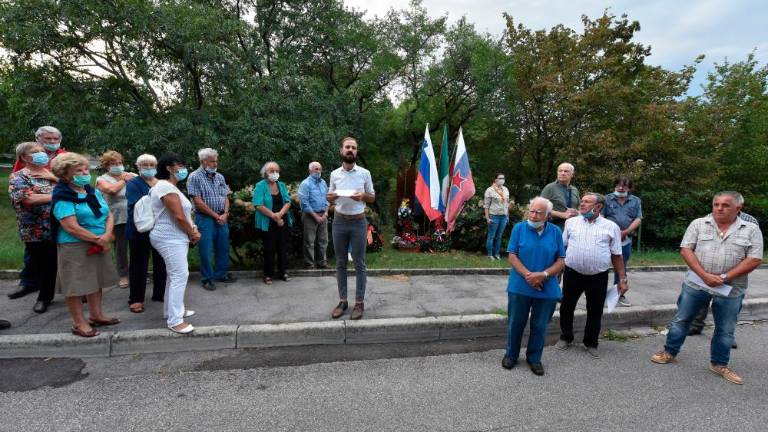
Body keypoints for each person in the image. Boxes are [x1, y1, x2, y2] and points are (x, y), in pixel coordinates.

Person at [651, 192, 762, 385]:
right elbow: (686, 249)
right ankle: (669, 352)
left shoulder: (751, 229)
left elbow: (754, 259)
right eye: (716, 204)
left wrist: (724, 277)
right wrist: (705, 275)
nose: (719, 208)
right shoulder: (699, 224)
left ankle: (719, 364)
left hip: (731, 288)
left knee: (726, 329)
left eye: (725, 205)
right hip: (697, 283)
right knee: (681, 319)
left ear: (738, 208)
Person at [51, 152, 120, 337]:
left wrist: (106, 234)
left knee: (96, 281)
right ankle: (78, 323)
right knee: (76, 285)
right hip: (75, 246)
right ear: (65, 174)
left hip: (100, 242)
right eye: (78, 170)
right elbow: (71, 227)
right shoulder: (62, 196)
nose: (84, 173)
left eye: (86, 169)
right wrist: (99, 240)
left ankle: (96, 315)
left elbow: (108, 214)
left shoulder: (91, 191)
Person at [556, 193, 629, 358]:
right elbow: (562, 250)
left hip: (598, 276)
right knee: (567, 306)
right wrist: (558, 272)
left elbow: (617, 255)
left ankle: (591, 342)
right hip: (572, 273)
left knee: (595, 310)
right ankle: (565, 337)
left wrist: (623, 280)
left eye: (587, 202)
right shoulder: (571, 223)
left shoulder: (611, 227)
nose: (582, 204)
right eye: (581, 201)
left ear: (598, 207)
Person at [502, 197, 565, 376]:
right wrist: (530, 276)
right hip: (520, 285)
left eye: (539, 212)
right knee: (516, 322)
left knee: (540, 325)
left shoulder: (555, 232)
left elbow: (561, 260)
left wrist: (543, 275)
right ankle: (511, 354)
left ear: (547, 215)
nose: (534, 215)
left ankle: (534, 358)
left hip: (546, 286)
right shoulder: (519, 228)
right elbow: (512, 256)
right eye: (531, 211)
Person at [8, 125, 66, 300]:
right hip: (32, 225)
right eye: (48, 139)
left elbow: (72, 184)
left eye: (56, 139)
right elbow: (27, 198)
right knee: (36, 258)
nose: (52, 143)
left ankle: (48, 295)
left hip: (58, 221)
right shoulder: (20, 173)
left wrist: (54, 181)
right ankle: (29, 283)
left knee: (56, 259)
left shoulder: (62, 158)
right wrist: (57, 194)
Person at [688, 210, 759, 345]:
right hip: (707, 269)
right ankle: (696, 325)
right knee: (702, 299)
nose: (722, 208)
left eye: (728, 204)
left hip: (734, 274)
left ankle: (727, 335)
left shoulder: (750, 221)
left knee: (730, 307)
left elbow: (754, 248)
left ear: (738, 206)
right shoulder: (710, 217)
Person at [150, 153, 200, 334]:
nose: (183, 168)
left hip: (175, 237)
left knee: (174, 276)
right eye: (179, 165)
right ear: (168, 168)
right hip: (169, 237)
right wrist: (192, 232)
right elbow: (178, 216)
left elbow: (184, 215)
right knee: (180, 275)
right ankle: (175, 320)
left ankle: (171, 311)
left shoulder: (171, 187)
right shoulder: (164, 186)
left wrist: (192, 229)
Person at [327, 136, 375, 320]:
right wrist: (329, 198)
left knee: (359, 263)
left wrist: (362, 196)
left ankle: (359, 303)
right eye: (347, 147)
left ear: (356, 151)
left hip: (358, 222)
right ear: (341, 150)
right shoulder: (334, 174)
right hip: (339, 222)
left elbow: (372, 197)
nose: (350, 150)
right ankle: (343, 301)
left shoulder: (364, 173)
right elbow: (330, 197)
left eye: (353, 147)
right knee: (340, 263)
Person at [187, 148, 233, 291]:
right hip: (205, 218)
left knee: (223, 247)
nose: (215, 164)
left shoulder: (219, 177)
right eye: (212, 161)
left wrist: (225, 213)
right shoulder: (194, 177)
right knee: (205, 250)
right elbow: (198, 202)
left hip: (221, 217)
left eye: (216, 161)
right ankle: (207, 278)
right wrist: (216, 216)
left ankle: (220, 274)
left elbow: (225, 197)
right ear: (203, 161)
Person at [125, 154, 166, 313]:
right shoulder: (133, 183)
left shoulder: (161, 182)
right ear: (138, 166)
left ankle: (160, 293)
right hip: (139, 231)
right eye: (144, 165)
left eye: (151, 164)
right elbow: (140, 204)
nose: (148, 167)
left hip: (160, 229)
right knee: (138, 266)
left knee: (161, 262)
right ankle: (136, 299)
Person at [96, 151, 136, 288]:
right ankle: (123, 275)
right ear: (107, 166)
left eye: (120, 163)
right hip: (117, 217)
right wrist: (124, 180)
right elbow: (111, 190)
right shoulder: (102, 179)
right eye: (114, 164)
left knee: (137, 246)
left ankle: (136, 272)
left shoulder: (131, 175)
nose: (118, 166)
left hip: (135, 216)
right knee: (121, 247)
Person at [602, 175, 642, 307]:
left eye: (624, 185)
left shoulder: (636, 201)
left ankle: (619, 294)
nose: (620, 187)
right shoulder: (606, 199)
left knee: (621, 268)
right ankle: (599, 293)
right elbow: (601, 216)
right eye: (618, 185)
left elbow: (638, 219)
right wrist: (612, 232)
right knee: (601, 266)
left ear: (629, 188)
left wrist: (625, 232)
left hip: (625, 239)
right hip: (606, 239)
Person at [252, 161, 293, 285]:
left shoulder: (281, 185)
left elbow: (288, 201)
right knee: (269, 248)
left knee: (282, 247)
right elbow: (258, 204)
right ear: (265, 173)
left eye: (276, 171)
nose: (275, 173)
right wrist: (274, 216)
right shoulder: (260, 185)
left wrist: (280, 214)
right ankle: (268, 274)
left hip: (282, 220)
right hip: (268, 221)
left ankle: (283, 272)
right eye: (271, 171)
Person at [298, 161, 329, 269]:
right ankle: (309, 264)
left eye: (320, 169)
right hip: (310, 216)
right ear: (310, 170)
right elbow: (304, 203)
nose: (318, 171)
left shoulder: (323, 182)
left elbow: (327, 199)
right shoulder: (305, 184)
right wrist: (315, 216)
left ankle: (322, 263)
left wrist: (325, 213)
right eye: (316, 169)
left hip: (323, 215)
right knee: (309, 241)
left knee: (323, 241)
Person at [540, 162, 580, 229]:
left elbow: (579, 207)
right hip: (554, 227)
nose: (563, 173)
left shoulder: (574, 189)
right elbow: (541, 208)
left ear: (572, 174)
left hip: (573, 227)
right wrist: (563, 215)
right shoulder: (550, 188)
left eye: (566, 171)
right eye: (560, 171)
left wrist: (577, 212)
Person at [483, 173, 510, 260]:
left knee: (499, 236)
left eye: (503, 178)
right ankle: (490, 255)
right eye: (500, 178)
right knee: (491, 236)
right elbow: (486, 205)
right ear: (495, 180)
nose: (502, 179)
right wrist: (487, 218)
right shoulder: (489, 190)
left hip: (503, 217)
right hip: (494, 216)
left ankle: (497, 254)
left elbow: (507, 204)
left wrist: (507, 216)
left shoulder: (505, 189)